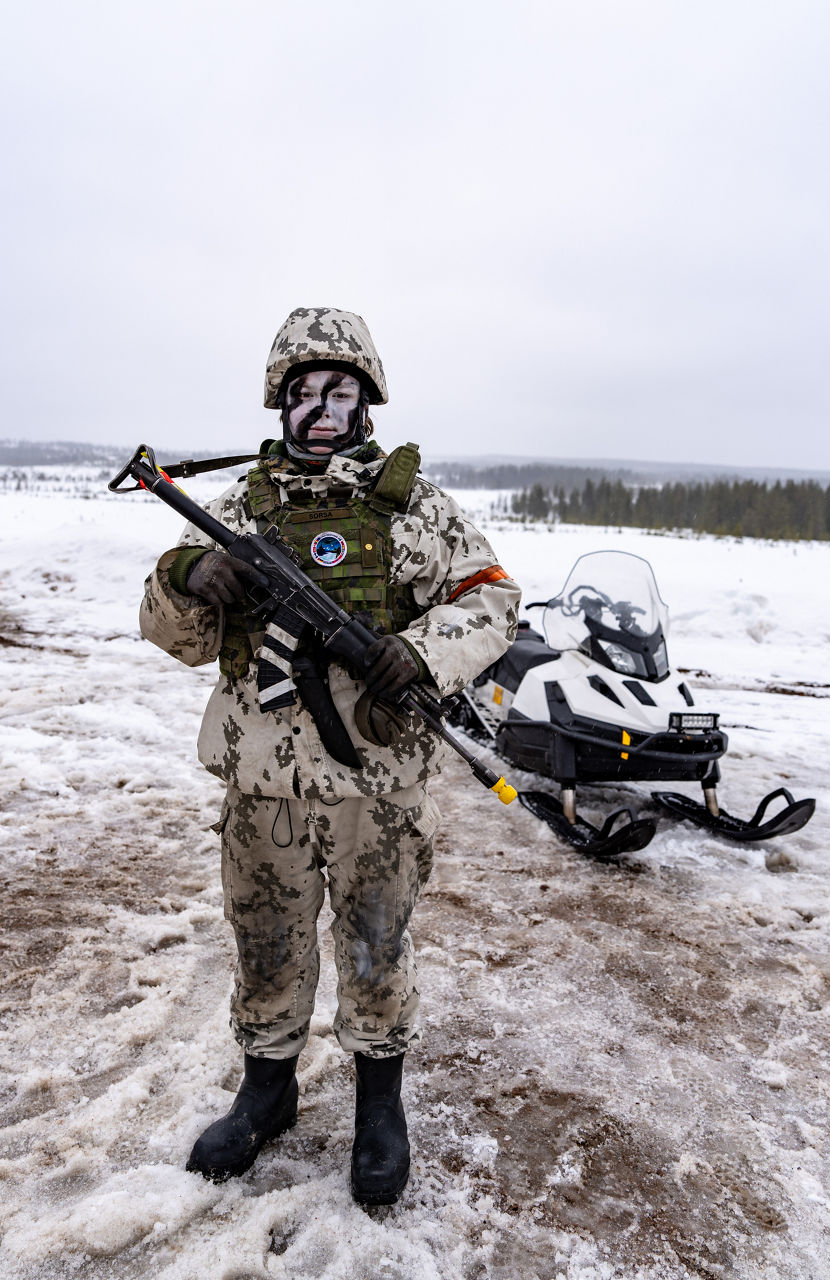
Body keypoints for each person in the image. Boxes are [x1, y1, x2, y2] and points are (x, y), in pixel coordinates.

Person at [139, 306, 520, 1204]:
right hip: (260, 780)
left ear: (365, 403)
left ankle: (378, 1105)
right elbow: (178, 638)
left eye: (338, 392)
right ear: (280, 405)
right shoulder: (235, 508)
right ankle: (267, 1092)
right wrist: (183, 578)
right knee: (265, 941)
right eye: (303, 394)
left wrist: (421, 652)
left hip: (375, 788)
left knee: (376, 943)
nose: (320, 409)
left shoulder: (416, 509)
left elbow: (493, 600)